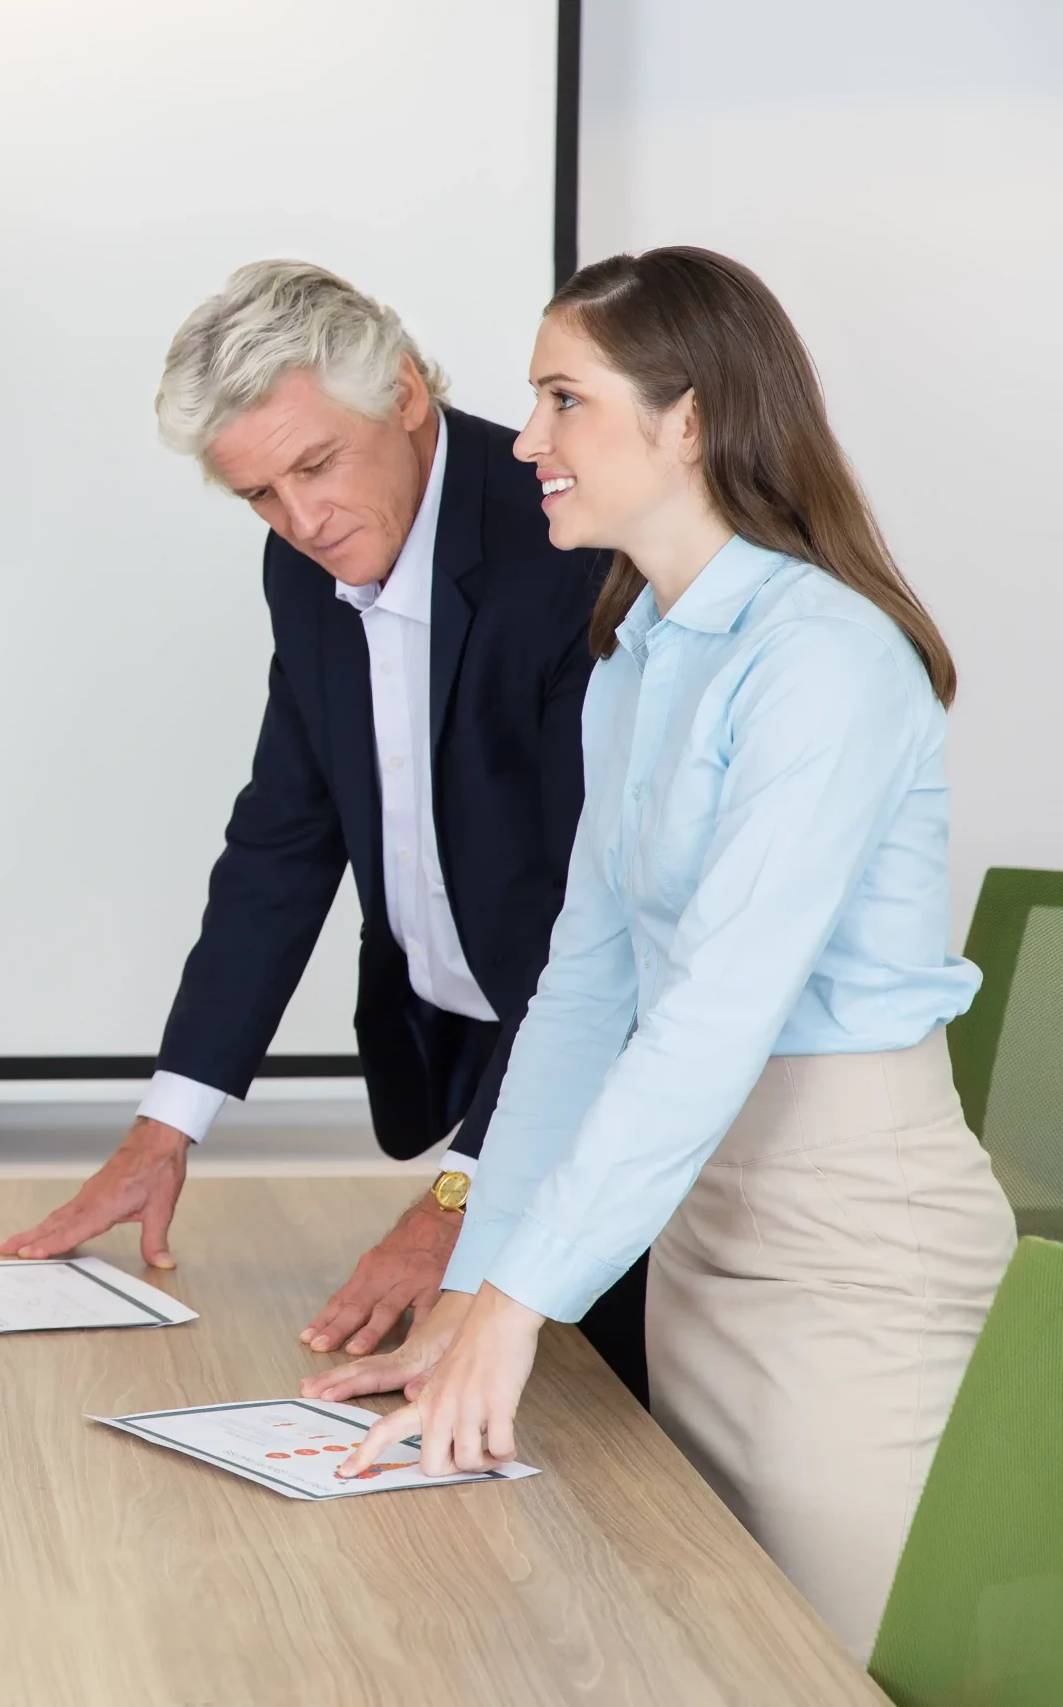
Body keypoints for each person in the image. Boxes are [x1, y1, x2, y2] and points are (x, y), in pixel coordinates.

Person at [329, 247, 1014, 1659]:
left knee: (831, 1662)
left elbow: (714, 1011)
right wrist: (475, 1284)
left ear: (687, 419)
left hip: (848, 1247)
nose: (524, 441)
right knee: (689, 1640)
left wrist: (519, 1304)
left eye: (562, 400)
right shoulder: (640, 646)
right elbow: (587, 991)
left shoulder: (824, 656)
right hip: (701, 1226)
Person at [0, 261, 646, 1395]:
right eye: (256, 495)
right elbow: (283, 842)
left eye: (313, 464)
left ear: (402, 396)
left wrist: (466, 1193)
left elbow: (592, 935)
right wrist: (167, 1126)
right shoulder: (299, 571)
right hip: (469, 1057)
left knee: (613, 1424)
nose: (299, 521)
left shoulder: (564, 544)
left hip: (602, 1074)